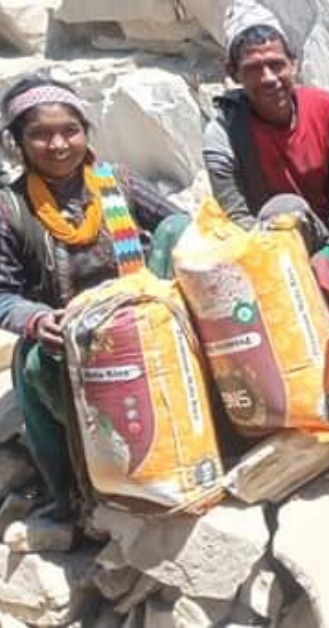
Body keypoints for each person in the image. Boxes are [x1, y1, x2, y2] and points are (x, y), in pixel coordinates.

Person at [0, 76, 190, 517]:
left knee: (179, 234)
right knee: (33, 367)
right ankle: (70, 488)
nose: (59, 143)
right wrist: (35, 319)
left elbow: (178, 225)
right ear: (18, 143)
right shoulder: (9, 209)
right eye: (40, 134)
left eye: (70, 129)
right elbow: (3, 294)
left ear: (85, 131)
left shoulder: (116, 181)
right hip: (65, 331)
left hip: (138, 311)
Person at [202, 2, 329, 285]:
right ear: (234, 73)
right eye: (253, 69)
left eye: (276, 65)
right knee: (284, 208)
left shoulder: (327, 109)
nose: (268, 79)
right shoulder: (223, 134)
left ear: (293, 64)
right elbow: (237, 216)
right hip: (267, 247)